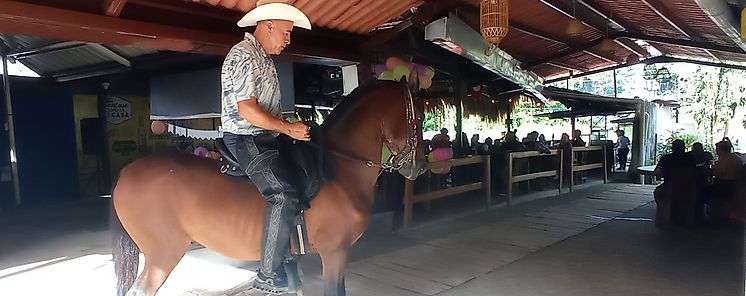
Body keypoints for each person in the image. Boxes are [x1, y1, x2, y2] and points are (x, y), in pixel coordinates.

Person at [220, 0, 312, 292]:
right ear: (268, 25)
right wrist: (287, 128)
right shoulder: (245, 55)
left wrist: (289, 125)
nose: (288, 40)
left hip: (267, 136)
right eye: (286, 32)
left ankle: (286, 253)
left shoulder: (264, 58)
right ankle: (267, 276)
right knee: (282, 195)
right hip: (248, 138)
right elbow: (247, 110)